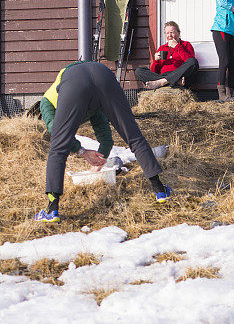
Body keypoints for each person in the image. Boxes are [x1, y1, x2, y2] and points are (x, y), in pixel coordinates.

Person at [34, 61, 171, 222]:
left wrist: (96, 159)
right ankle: (160, 191)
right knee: (133, 135)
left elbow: (58, 136)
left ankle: (51, 210)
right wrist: (84, 152)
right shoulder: (51, 104)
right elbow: (104, 135)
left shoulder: (47, 101)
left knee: (58, 147)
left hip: (75, 81)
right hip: (103, 74)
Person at [135, 21, 199, 90]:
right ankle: (174, 82)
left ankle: (163, 82)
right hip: (165, 76)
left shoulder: (186, 45)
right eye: (167, 33)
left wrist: (177, 47)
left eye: (172, 32)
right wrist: (156, 61)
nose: (169, 35)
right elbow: (154, 72)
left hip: (180, 75)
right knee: (139, 71)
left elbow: (190, 61)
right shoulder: (162, 48)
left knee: (193, 61)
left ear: (178, 33)